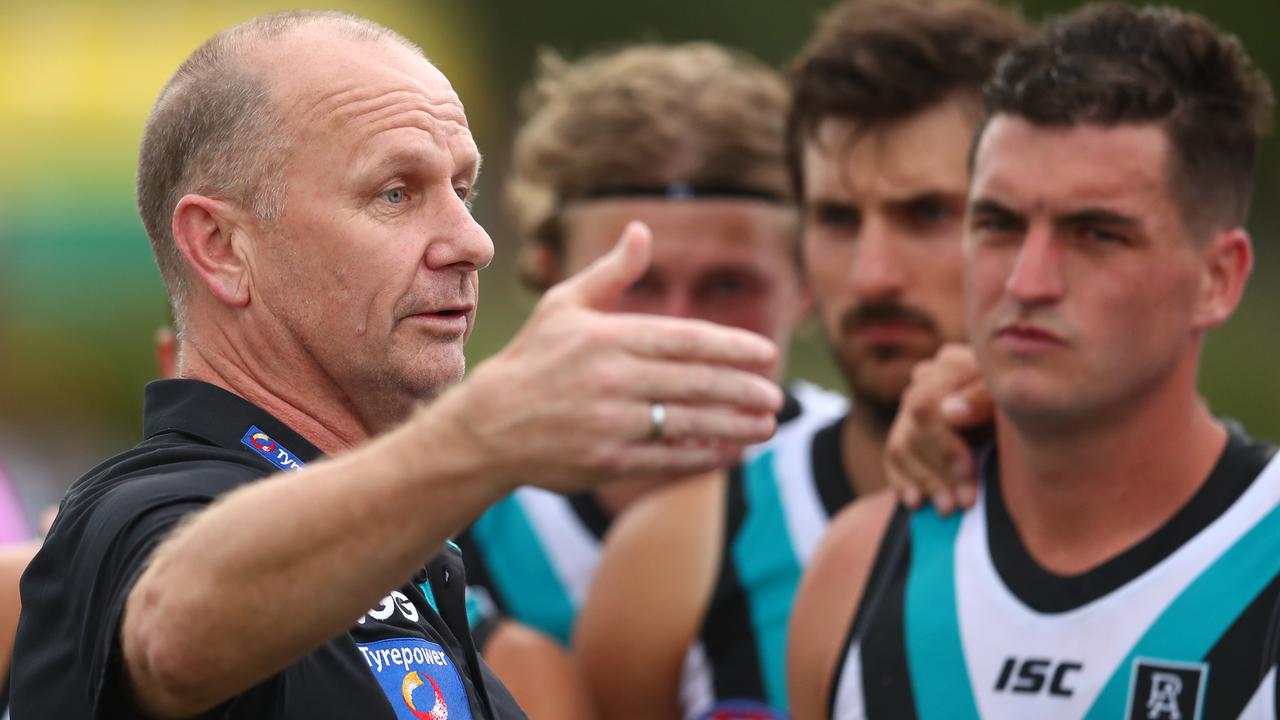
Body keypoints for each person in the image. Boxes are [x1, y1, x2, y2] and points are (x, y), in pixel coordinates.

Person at [10, 10, 784, 719]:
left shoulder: (400, 550)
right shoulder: (138, 509)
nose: (473, 241)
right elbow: (172, 631)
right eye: (394, 193)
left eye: (463, 189)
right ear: (221, 247)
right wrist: (483, 437)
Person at [789, 4, 1278, 718]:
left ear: (1219, 279)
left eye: (1095, 233)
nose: (1026, 281)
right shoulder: (856, 568)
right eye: (998, 224)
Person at [575, 2, 1026, 718]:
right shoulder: (673, 558)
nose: (874, 274)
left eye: (929, 214)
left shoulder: (1206, 529)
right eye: (838, 219)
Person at [456, 41, 838, 657]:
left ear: (808, 284)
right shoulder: (450, 506)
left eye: (728, 285)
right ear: (553, 276)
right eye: (633, 281)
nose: (677, 327)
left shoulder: (888, 484)